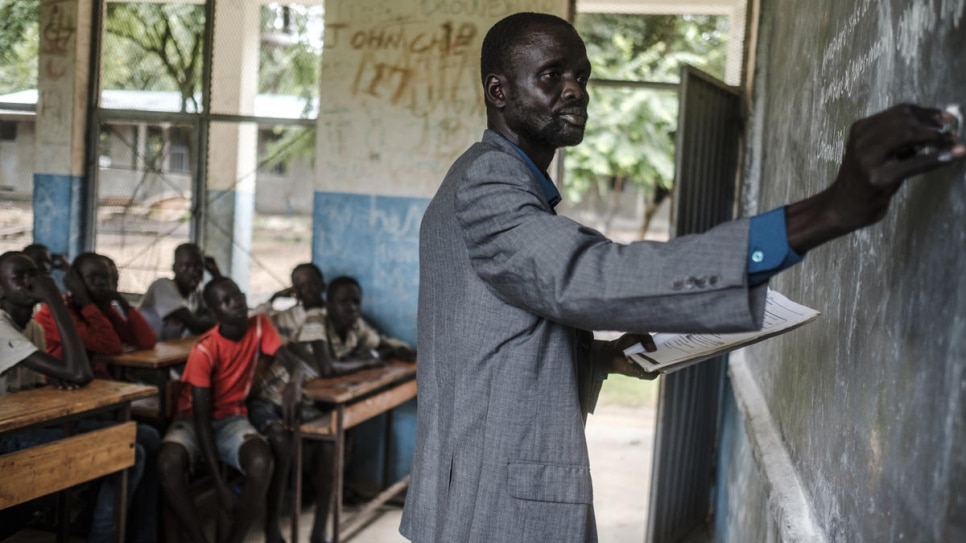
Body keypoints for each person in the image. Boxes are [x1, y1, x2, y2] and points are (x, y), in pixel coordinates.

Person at [400, 12, 965, 543]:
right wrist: (830, 211)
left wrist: (598, 359)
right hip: (493, 505)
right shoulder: (490, 184)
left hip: (475, 488)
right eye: (552, 76)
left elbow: (484, 342)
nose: (576, 90)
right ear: (498, 92)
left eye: (581, 76)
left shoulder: (484, 182)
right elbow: (585, 277)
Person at [249, 272, 415, 543]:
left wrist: (400, 349)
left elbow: (380, 342)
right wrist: (368, 360)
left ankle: (319, 530)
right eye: (343, 302)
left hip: (309, 403)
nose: (351, 308)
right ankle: (272, 525)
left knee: (331, 446)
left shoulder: (354, 326)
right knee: (289, 445)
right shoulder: (316, 318)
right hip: (277, 400)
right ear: (329, 303)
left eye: (356, 302)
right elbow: (327, 368)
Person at [0, 251, 152, 543]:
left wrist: (60, 376)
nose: (31, 283)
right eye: (19, 278)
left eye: (35, 276)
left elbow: (59, 380)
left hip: (28, 426)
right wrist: (54, 298)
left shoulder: (31, 328)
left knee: (142, 438)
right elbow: (80, 372)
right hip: (6, 437)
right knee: (128, 450)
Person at [157, 276, 294, 543]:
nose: (237, 304)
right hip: (194, 420)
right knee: (168, 461)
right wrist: (219, 487)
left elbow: (290, 362)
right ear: (213, 312)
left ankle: (235, 539)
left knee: (261, 461)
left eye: (239, 297)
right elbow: (200, 417)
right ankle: (198, 537)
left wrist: (294, 384)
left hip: (232, 417)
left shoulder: (259, 326)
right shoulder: (205, 349)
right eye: (226, 301)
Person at [33, 252, 157, 379]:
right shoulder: (57, 310)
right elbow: (111, 346)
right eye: (92, 277)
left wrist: (120, 300)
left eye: (106, 277)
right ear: (76, 282)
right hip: (55, 384)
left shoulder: (101, 310)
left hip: (85, 381)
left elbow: (147, 341)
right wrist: (85, 300)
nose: (101, 282)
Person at [138, 243, 219, 341]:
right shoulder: (162, 286)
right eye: (187, 266)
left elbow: (222, 312)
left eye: (199, 266)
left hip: (164, 353)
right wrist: (228, 324)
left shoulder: (195, 297)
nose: (194, 272)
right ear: (174, 268)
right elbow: (195, 325)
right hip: (140, 352)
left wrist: (216, 275)